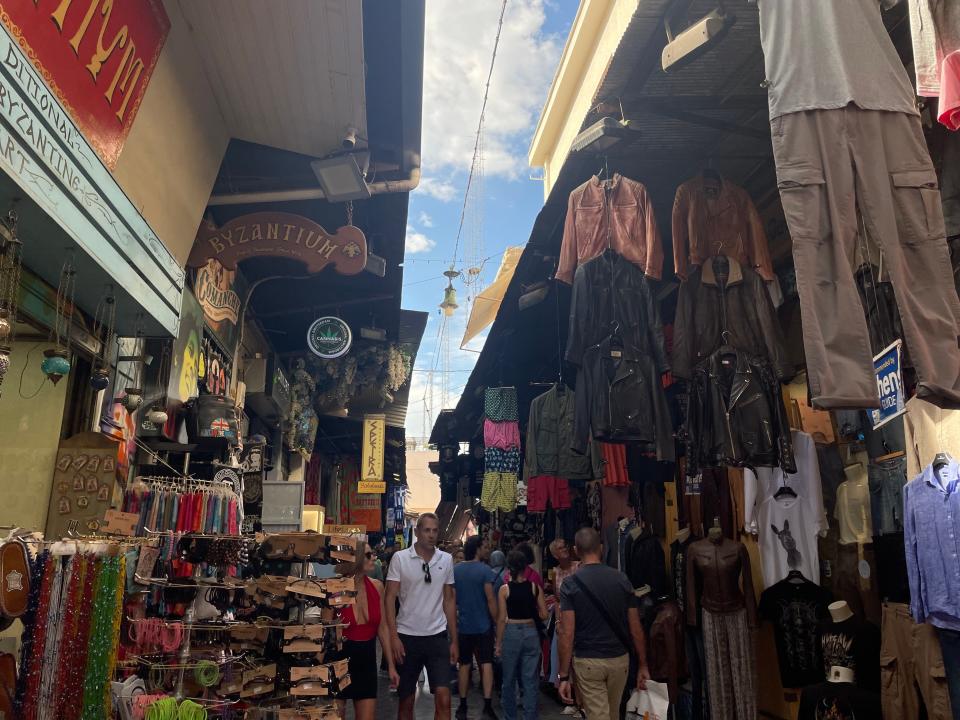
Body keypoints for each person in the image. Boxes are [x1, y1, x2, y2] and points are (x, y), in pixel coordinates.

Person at [557, 528, 650, 720]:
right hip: (619, 659)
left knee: (599, 715)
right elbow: (635, 628)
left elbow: (567, 633)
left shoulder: (570, 584)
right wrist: (643, 664)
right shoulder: (621, 579)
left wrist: (564, 676)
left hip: (588, 660)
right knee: (613, 713)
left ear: (575, 550)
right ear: (601, 548)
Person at [386, 513, 459, 720]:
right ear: (417, 532)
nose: (431, 535)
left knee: (444, 698)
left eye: (435, 530)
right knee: (406, 701)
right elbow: (389, 599)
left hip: (437, 637)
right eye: (426, 530)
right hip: (407, 637)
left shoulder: (446, 559)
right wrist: (393, 637)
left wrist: (454, 640)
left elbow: (449, 600)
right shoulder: (400, 559)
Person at [338, 543, 398, 720]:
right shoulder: (335, 587)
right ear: (355, 558)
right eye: (368, 554)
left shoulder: (377, 586)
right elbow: (327, 629)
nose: (373, 557)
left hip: (367, 659)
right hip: (340, 658)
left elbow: (383, 628)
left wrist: (392, 667)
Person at [496, 550, 548, 720]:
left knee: (509, 680)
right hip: (531, 632)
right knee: (530, 681)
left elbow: (502, 619)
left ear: (509, 568)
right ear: (525, 567)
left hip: (512, 632)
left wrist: (498, 643)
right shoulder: (535, 587)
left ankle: (510, 717)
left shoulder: (504, 590)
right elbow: (544, 615)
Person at [454, 536, 499, 720]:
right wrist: (497, 621)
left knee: (464, 665)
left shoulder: (456, 570)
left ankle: (463, 705)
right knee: (486, 664)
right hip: (483, 626)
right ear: (478, 549)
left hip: (464, 626)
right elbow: (490, 599)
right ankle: (487, 704)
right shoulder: (485, 571)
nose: (487, 549)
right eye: (485, 546)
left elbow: (452, 600)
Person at [547, 539, 581, 715]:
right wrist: (558, 622)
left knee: (579, 661)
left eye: (565, 546)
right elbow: (557, 599)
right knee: (565, 661)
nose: (565, 549)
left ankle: (580, 702)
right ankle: (572, 700)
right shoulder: (554, 572)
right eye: (560, 548)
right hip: (564, 622)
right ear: (555, 555)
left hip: (580, 620)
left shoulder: (579, 566)